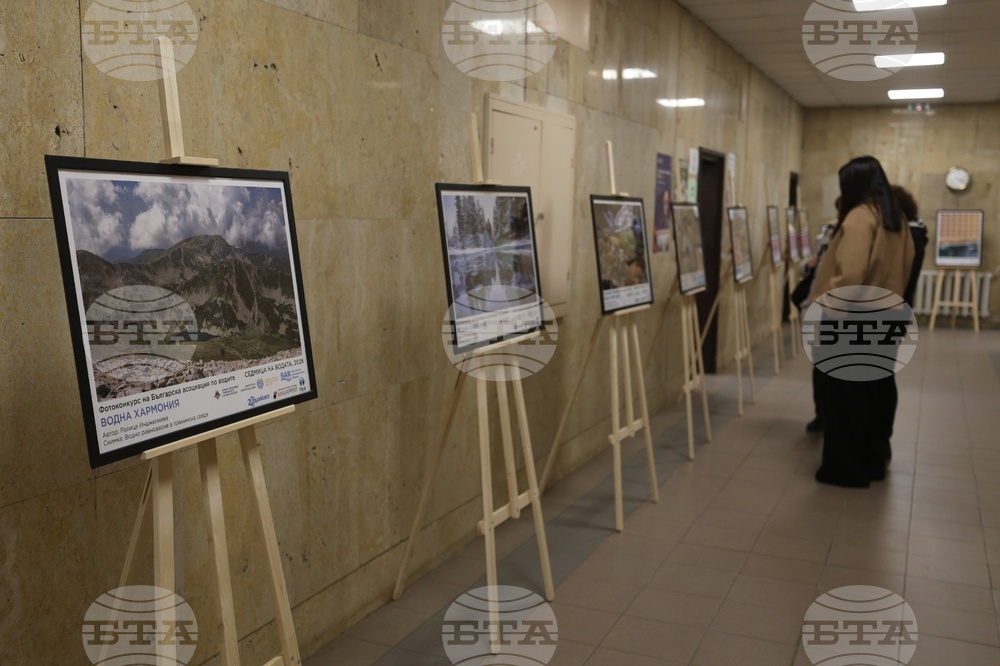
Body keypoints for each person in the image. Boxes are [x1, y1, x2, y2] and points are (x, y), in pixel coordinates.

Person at [808, 156, 915, 488]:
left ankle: (845, 468)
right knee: (871, 393)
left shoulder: (860, 217)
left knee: (843, 397)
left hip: (852, 315)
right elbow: (908, 263)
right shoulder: (894, 217)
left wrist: (828, 306)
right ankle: (870, 461)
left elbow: (851, 274)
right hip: (888, 312)